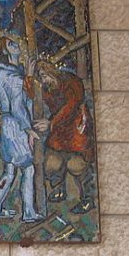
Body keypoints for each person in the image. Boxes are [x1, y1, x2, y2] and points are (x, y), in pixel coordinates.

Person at [29, 60, 96, 214]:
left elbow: (71, 106)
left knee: (76, 164)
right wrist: (28, 76)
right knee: (51, 162)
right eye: (41, 78)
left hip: (76, 129)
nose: (44, 80)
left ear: (51, 71)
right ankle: (59, 189)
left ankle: (88, 198)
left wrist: (51, 123)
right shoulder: (48, 88)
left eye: (45, 75)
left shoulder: (70, 81)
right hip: (59, 132)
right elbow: (32, 94)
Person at [0, 36, 42, 223]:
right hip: (16, 126)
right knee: (28, 169)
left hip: (8, 125)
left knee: (10, 171)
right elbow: (18, 106)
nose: (16, 45)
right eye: (11, 44)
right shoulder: (11, 76)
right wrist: (28, 129)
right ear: (5, 52)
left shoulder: (7, 73)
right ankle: (28, 212)